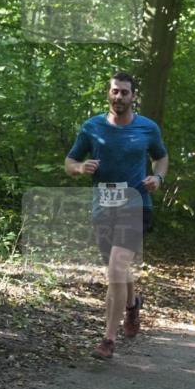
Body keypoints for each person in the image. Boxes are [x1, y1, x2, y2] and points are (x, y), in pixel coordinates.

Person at [65, 72, 169, 360]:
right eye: (115, 92)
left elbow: (161, 157)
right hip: (103, 207)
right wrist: (80, 167)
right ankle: (133, 304)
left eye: (125, 92)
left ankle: (108, 339)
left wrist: (158, 179)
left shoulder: (148, 128)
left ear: (133, 96)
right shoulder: (92, 126)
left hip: (136, 205)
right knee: (118, 270)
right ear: (108, 93)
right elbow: (69, 162)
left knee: (115, 270)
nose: (119, 97)